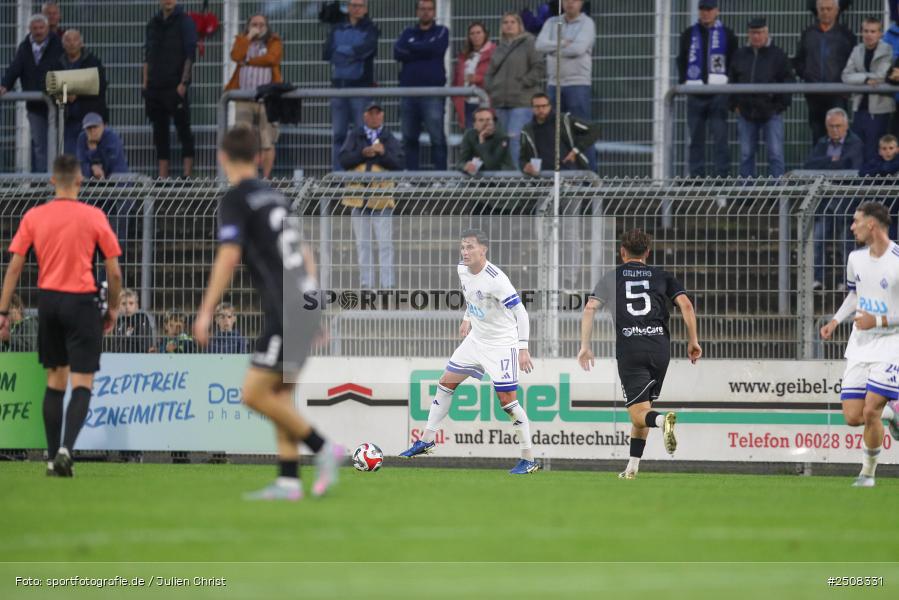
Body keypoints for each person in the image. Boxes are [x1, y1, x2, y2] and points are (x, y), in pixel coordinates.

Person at [193, 125, 342, 501]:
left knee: (254, 394)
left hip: (285, 309)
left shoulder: (236, 199)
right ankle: (289, 482)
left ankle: (324, 448)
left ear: (222, 157)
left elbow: (228, 256)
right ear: (259, 158)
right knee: (280, 394)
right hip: (305, 302)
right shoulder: (277, 197)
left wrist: (206, 311)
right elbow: (305, 254)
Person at [0, 154, 122, 477]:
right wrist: (112, 307)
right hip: (82, 303)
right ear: (80, 181)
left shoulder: (34, 217)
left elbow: (14, 267)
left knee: (55, 382)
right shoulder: (94, 216)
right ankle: (68, 447)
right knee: (82, 382)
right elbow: (114, 270)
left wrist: (1, 311)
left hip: (49, 302)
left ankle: (53, 458)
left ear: (52, 181)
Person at [400, 230, 539, 475]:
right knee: (445, 382)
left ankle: (529, 459)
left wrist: (523, 347)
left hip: (501, 344)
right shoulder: (462, 269)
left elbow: (521, 313)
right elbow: (471, 297)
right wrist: (468, 317)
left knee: (507, 402)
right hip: (476, 341)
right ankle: (427, 440)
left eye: (470, 247)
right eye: (462, 247)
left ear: (483, 249)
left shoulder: (497, 280)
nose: (464, 252)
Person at [578, 229, 702, 479]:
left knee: (639, 413)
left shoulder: (612, 277)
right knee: (643, 410)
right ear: (647, 252)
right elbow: (686, 305)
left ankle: (662, 421)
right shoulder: (663, 276)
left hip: (631, 349)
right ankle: (632, 467)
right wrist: (693, 341)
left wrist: (585, 346)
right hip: (659, 349)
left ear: (622, 252)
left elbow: (590, 307)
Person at [819, 202, 899, 487]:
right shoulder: (855, 258)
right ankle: (894, 412)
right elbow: (855, 295)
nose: (852, 226)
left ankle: (867, 474)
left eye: (856, 221)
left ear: (872, 225)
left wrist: (876, 322)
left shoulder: (897, 260)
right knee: (853, 416)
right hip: (859, 345)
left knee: (870, 411)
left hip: (891, 345)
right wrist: (836, 321)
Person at [521, 92, 600, 292]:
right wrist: (526, 167)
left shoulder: (564, 120)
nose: (540, 110)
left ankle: (568, 280)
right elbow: (523, 158)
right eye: (536, 106)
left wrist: (576, 150)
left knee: (570, 231)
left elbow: (593, 130)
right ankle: (547, 276)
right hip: (545, 185)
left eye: (544, 106)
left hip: (571, 181)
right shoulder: (528, 130)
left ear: (550, 106)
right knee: (542, 230)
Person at [338, 102, 403, 290]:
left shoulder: (389, 137)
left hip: (381, 199)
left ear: (382, 116)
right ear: (365, 116)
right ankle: (367, 285)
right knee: (362, 245)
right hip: (358, 199)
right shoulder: (355, 135)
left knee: (385, 245)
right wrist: (362, 153)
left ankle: (387, 285)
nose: (374, 116)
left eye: (378, 113)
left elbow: (398, 163)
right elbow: (343, 160)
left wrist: (382, 153)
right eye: (370, 113)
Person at [676, 0, 738, 178]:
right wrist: (685, 81)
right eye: (702, 9)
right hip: (695, 94)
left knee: (720, 139)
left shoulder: (727, 34)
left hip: (719, 94)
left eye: (709, 9)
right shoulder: (688, 34)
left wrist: (730, 89)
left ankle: (722, 177)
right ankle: (696, 177)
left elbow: (734, 62)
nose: (705, 13)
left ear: (717, 11)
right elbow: (681, 60)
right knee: (695, 139)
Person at [535, 0, 597, 171]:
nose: (570, 3)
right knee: (555, 134)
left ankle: (588, 181)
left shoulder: (587, 23)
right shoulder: (551, 22)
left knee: (581, 132)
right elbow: (539, 45)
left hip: (577, 85)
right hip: (554, 85)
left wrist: (553, 47)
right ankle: (564, 179)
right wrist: (563, 43)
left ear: (582, 3)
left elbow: (578, 49)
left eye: (575, 0)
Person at [807, 108, 865, 289]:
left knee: (845, 242)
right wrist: (833, 162)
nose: (835, 130)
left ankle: (847, 281)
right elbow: (809, 165)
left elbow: (851, 166)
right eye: (831, 126)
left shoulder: (855, 143)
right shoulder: (821, 143)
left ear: (846, 126)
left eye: (838, 126)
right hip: (824, 200)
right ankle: (818, 279)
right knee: (817, 239)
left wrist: (829, 164)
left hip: (846, 201)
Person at [728, 17, 792, 179]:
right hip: (746, 112)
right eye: (753, 33)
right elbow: (732, 80)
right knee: (746, 155)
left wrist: (779, 106)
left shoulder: (778, 55)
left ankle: (777, 196)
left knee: (776, 154)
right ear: (748, 34)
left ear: (766, 33)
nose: (756, 36)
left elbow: (788, 81)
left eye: (760, 32)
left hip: (771, 113)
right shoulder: (740, 55)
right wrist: (735, 104)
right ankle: (746, 197)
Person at [0, 14, 64, 173]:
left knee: (61, 144)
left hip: (59, 105)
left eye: (41, 28)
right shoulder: (24, 47)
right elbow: (15, 68)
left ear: (47, 28)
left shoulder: (58, 45)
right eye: (35, 28)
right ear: (29, 30)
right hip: (35, 106)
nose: (38, 32)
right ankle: (45, 186)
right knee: (40, 147)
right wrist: (4, 85)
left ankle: (62, 182)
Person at [143, 0, 197, 178]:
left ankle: (187, 176)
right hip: (154, 87)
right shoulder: (152, 23)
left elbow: (190, 54)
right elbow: (147, 55)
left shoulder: (185, 21)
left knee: (183, 129)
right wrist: (145, 84)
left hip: (175, 86)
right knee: (159, 133)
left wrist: (184, 83)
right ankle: (162, 178)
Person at [394, 0, 449, 170]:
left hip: (432, 93)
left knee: (437, 137)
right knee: (409, 137)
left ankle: (440, 177)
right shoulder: (407, 32)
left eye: (429, 9)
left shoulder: (441, 31)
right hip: (409, 93)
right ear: (417, 11)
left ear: (434, 12)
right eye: (422, 9)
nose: (426, 12)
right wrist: (424, 50)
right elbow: (397, 52)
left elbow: (436, 49)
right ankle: (410, 177)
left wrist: (412, 49)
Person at [226, 14, 283, 178]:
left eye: (261, 24)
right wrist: (248, 38)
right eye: (254, 24)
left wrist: (249, 62)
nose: (258, 27)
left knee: (267, 140)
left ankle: (266, 178)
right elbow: (236, 56)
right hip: (244, 98)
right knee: (243, 139)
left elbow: (272, 59)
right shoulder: (243, 41)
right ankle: (246, 177)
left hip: (267, 99)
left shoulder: (274, 41)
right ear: (248, 26)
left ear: (267, 26)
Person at [324, 0, 379, 171]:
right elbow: (327, 52)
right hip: (338, 88)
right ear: (348, 8)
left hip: (360, 88)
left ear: (365, 9)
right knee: (338, 135)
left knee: (361, 134)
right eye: (353, 5)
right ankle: (338, 176)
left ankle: (360, 175)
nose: (356, 9)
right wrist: (352, 53)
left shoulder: (371, 29)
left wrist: (343, 51)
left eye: (360, 5)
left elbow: (366, 50)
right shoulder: (337, 28)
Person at [486, 12, 544, 167]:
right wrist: (492, 87)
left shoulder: (530, 42)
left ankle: (518, 180)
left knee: (515, 140)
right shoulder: (499, 47)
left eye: (513, 22)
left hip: (522, 101)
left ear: (520, 25)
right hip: (501, 102)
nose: (509, 25)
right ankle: (508, 179)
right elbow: (490, 72)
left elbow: (539, 67)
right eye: (505, 22)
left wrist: (524, 82)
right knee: (503, 142)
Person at [794, 0, 856, 145]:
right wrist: (807, 75)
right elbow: (799, 60)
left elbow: (853, 62)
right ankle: (820, 166)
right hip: (814, 94)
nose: (825, 12)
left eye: (829, 9)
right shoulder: (808, 33)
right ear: (817, 10)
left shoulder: (846, 35)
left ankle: (839, 167)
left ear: (836, 10)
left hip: (837, 93)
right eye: (822, 9)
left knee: (839, 135)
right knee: (818, 135)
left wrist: (845, 85)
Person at [842, 17, 895, 165]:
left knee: (874, 151)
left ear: (880, 34)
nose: (869, 34)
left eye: (873, 31)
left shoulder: (887, 49)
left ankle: (874, 186)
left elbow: (881, 76)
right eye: (866, 31)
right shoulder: (856, 50)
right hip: (859, 108)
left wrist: (858, 77)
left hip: (880, 110)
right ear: (861, 32)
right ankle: (859, 186)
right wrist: (865, 80)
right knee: (858, 150)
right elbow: (845, 76)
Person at [56, 29, 108, 155]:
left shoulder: (93, 62)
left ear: (81, 43)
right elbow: (49, 85)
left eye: (75, 40)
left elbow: (100, 84)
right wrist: (62, 95)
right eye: (68, 40)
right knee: (70, 159)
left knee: (92, 157)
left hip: (90, 119)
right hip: (68, 121)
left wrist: (76, 92)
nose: (72, 43)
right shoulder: (58, 63)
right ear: (63, 44)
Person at [451, 22, 496, 129]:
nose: (475, 36)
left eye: (478, 32)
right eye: (472, 33)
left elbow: (497, 78)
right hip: (466, 104)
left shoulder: (495, 52)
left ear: (485, 34)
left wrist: (477, 79)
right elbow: (456, 80)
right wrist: (458, 97)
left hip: (486, 103)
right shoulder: (463, 56)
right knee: (470, 138)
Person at [456, 107, 513, 174]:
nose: (486, 123)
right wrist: (465, 166)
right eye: (481, 120)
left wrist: (482, 142)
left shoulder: (502, 137)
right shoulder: (469, 135)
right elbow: (460, 162)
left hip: (501, 180)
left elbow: (491, 166)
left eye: (488, 120)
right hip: (478, 180)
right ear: (474, 125)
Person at [76, 113, 128, 180]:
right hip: (92, 179)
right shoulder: (82, 138)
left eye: (95, 127)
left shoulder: (112, 137)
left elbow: (111, 162)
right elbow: (81, 162)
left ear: (103, 126)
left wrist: (94, 153)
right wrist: (92, 166)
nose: (92, 131)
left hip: (116, 179)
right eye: (89, 128)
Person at [111, 289, 154, 353]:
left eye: (131, 303)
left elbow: (145, 344)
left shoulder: (142, 319)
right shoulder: (118, 322)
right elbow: (115, 345)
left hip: (137, 359)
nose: (127, 307)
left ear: (137, 306)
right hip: (119, 359)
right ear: (119, 306)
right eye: (123, 304)